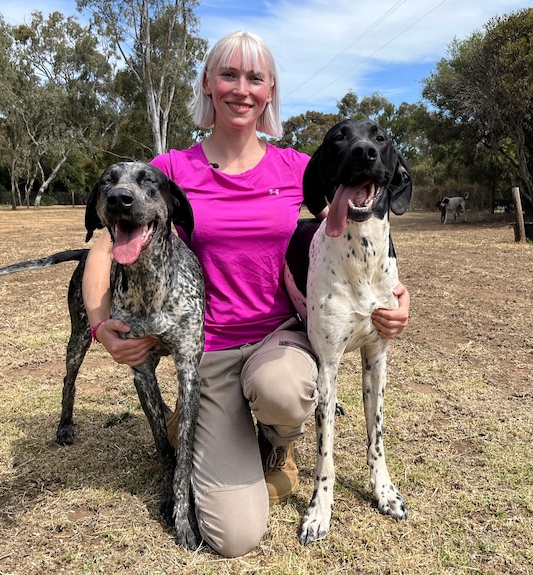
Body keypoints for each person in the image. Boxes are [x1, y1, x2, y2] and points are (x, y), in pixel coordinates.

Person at [82, 31, 410, 558]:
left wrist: (394, 291)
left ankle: (276, 444)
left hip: (279, 341)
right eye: (228, 75)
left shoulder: (298, 168)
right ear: (208, 85)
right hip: (207, 352)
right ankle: (200, 426)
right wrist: (100, 323)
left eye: (255, 78)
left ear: (270, 91)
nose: (241, 88)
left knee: (286, 391)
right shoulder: (169, 171)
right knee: (235, 537)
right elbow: (104, 248)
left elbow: (358, 232)